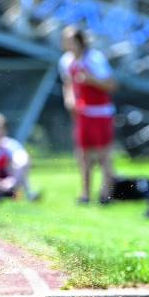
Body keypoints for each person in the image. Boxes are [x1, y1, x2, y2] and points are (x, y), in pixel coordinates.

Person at [59, 26, 117, 205]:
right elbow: (68, 84)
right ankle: (85, 193)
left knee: (103, 154)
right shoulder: (66, 61)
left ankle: (105, 193)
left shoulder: (94, 58)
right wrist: (69, 99)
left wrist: (91, 80)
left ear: (80, 42)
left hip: (100, 113)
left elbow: (111, 85)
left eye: (71, 40)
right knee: (83, 154)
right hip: (82, 113)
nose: (67, 44)